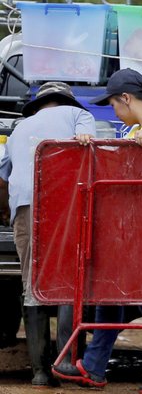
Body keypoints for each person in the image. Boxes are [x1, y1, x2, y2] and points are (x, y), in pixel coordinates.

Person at [55, 69, 142, 394]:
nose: (114, 112)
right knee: (112, 291)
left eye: (114, 105)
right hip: (138, 229)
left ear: (126, 99)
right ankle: (93, 367)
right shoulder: (141, 128)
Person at [0, 82, 96, 388]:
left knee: (33, 282)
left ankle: (39, 372)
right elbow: (93, 149)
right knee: (67, 281)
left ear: (39, 105)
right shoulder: (78, 116)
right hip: (63, 205)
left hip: (26, 207)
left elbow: (4, 174)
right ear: (67, 101)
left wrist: (8, 212)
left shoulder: (18, 129)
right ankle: (64, 362)